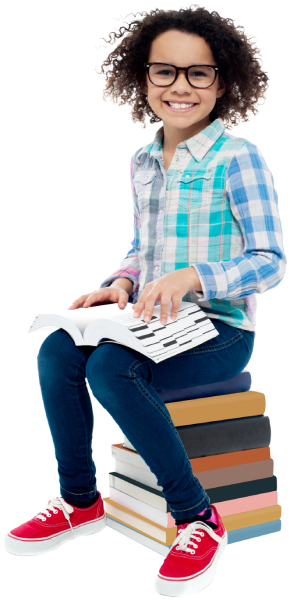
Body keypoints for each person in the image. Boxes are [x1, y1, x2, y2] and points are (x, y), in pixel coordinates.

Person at [5, 6, 287, 596]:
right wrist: (122, 283)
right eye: (164, 72)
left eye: (198, 73)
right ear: (141, 79)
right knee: (57, 352)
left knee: (111, 368)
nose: (179, 86)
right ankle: (80, 500)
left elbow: (270, 261)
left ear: (225, 82)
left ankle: (197, 518)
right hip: (151, 320)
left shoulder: (241, 160)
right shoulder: (142, 163)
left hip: (220, 329)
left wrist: (194, 278)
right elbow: (141, 249)